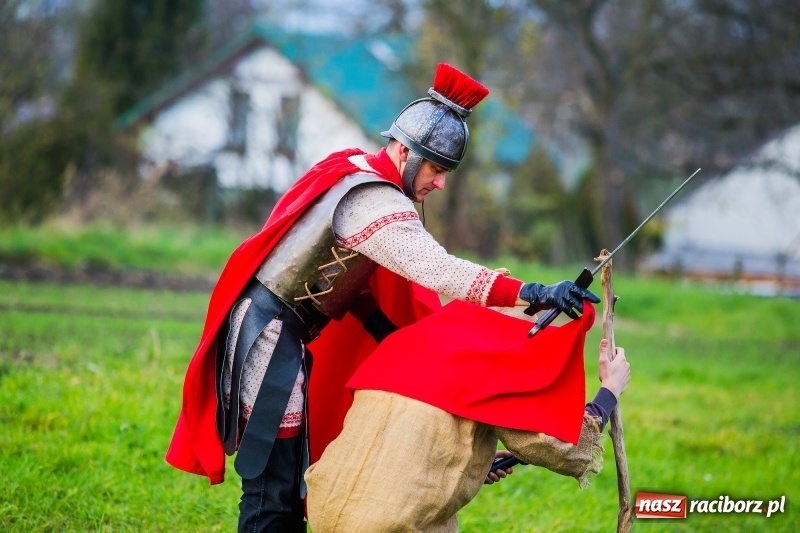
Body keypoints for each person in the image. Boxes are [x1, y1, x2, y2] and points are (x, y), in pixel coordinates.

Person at [164, 63, 600, 532]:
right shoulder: (375, 200)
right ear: (405, 151)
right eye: (436, 168)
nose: (439, 183)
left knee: (287, 482)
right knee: (272, 489)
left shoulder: (352, 169)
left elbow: (332, 277)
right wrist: (532, 292)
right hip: (269, 341)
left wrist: (383, 332)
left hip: (276, 332)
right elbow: (437, 269)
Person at [305, 301, 632, 532]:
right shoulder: (491, 365)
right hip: (391, 525)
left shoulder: (406, 341)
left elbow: (397, 442)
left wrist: (472, 461)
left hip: (323, 510)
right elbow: (561, 448)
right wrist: (609, 392)